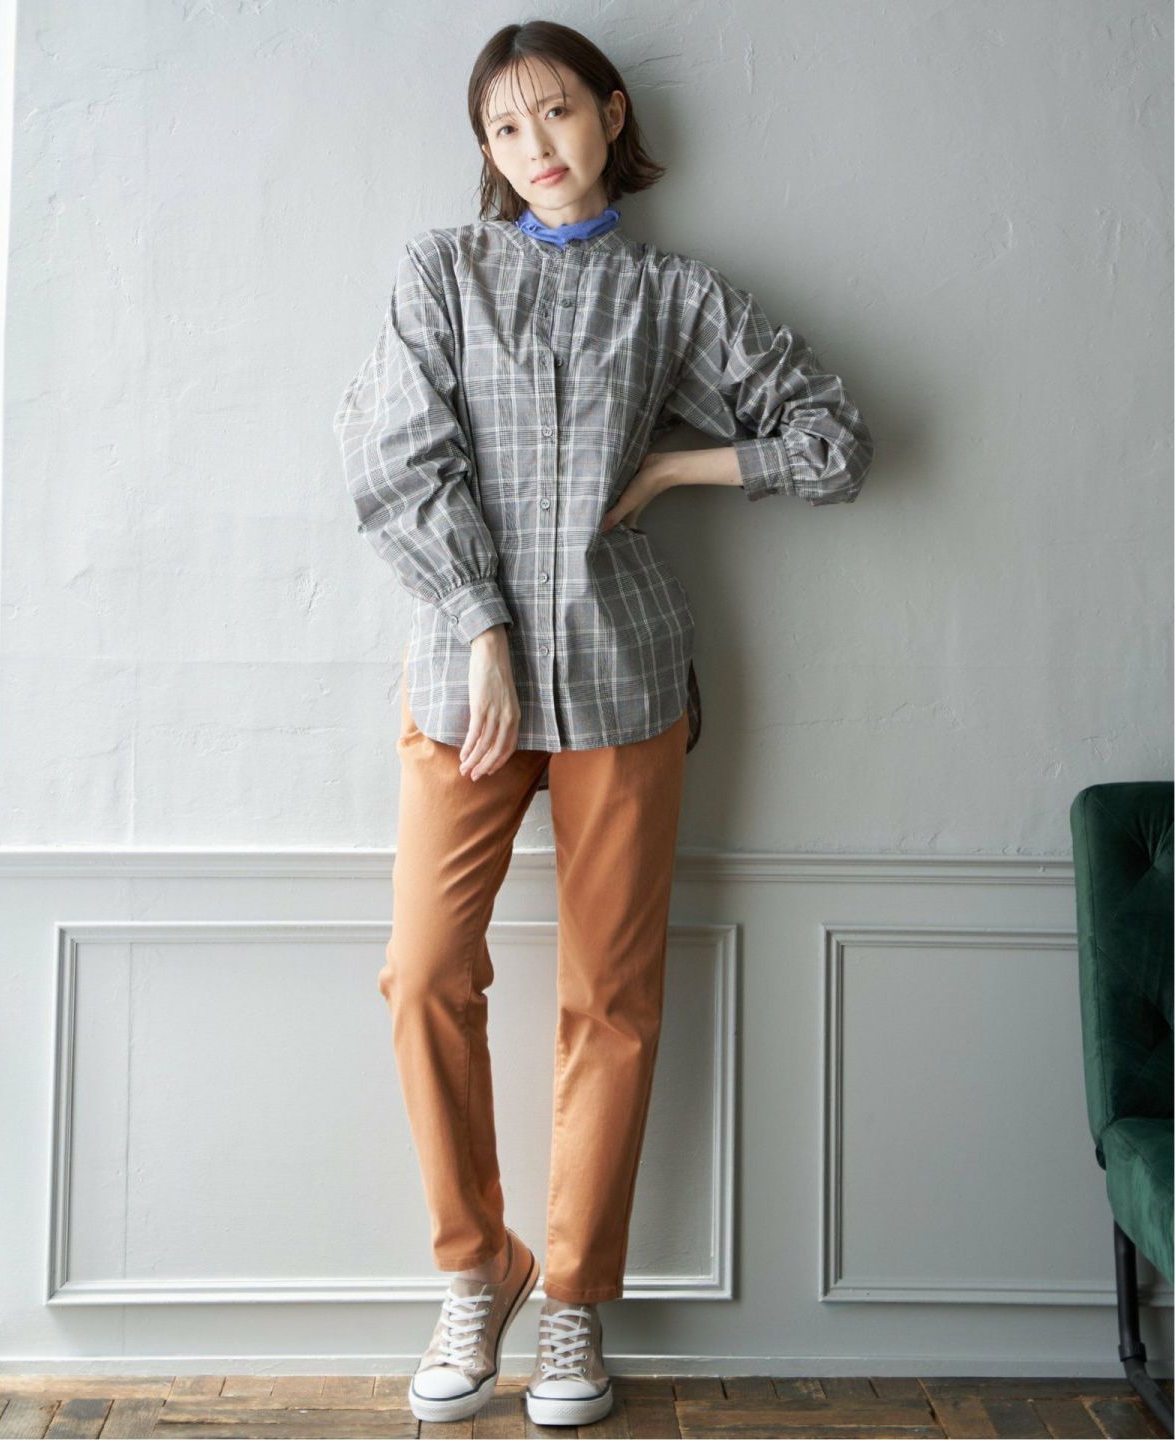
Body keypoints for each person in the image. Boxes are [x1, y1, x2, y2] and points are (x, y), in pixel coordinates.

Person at [332, 18, 875, 1428]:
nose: (538, 147)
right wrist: (483, 627)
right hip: (465, 689)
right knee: (422, 974)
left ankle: (570, 1301)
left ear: (611, 113)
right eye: (505, 129)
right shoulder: (442, 273)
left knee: (612, 1000)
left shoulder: (677, 298)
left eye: (558, 112)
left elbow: (835, 441)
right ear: (487, 150)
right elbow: (396, 460)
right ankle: (479, 1268)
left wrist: (683, 469)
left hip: (626, 679)